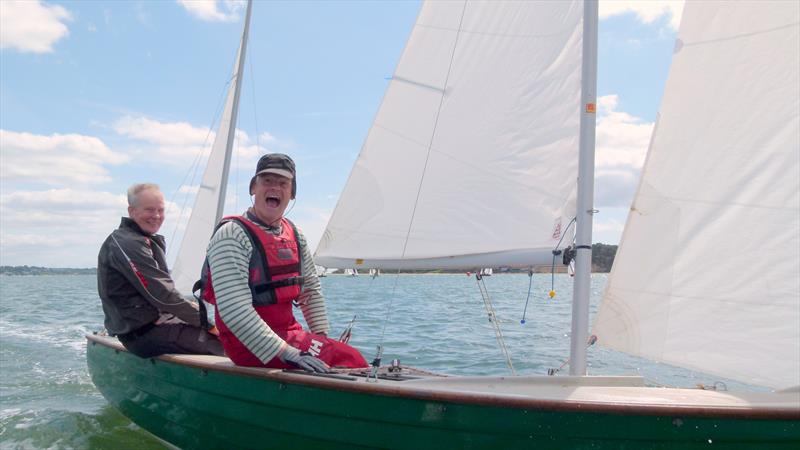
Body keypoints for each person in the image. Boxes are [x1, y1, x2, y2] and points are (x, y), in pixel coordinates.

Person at [201, 153, 368, 373]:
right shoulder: (231, 235)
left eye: (283, 183)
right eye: (267, 181)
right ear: (253, 188)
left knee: (343, 355)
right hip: (247, 343)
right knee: (351, 359)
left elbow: (310, 290)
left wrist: (321, 340)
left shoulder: (296, 234)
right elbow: (234, 310)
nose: (275, 188)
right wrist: (291, 354)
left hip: (288, 334)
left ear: (292, 193)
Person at [97, 183, 224, 358]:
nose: (156, 216)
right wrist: (208, 324)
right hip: (143, 335)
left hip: (155, 325)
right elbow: (162, 294)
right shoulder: (127, 243)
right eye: (149, 210)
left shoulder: (143, 240)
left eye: (160, 210)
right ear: (132, 211)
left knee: (230, 337)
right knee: (227, 347)